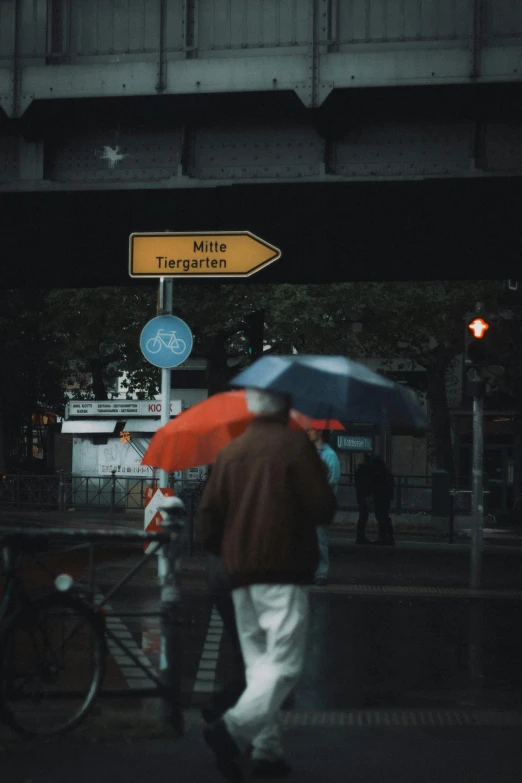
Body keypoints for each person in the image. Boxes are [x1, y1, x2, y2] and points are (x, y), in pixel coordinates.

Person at [197, 387, 336, 781]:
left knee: (260, 665)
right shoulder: (295, 447)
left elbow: (207, 518)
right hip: (283, 568)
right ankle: (233, 729)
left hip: (238, 573)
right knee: (286, 665)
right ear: (286, 408)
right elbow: (322, 508)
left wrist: (226, 550)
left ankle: (268, 750)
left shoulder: (231, 451)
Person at [306, 427, 341, 585]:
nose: (308, 432)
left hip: (320, 503)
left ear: (319, 432)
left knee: (320, 539)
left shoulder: (329, 455)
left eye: (311, 430)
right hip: (308, 503)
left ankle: (321, 572)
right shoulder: (309, 453)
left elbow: (332, 479)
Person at [371, 455, 395, 546]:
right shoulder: (387, 473)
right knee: (385, 517)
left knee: (381, 517)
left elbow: (375, 486)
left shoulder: (378, 473)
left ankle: (383, 536)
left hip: (379, 498)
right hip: (386, 498)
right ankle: (388, 537)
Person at [354, 455, 373, 545]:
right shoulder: (365, 472)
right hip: (364, 496)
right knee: (363, 516)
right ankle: (361, 536)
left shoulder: (359, 471)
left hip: (361, 495)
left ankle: (360, 536)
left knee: (363, 516)